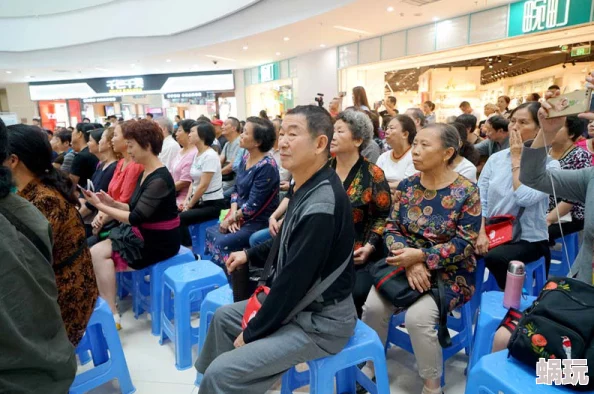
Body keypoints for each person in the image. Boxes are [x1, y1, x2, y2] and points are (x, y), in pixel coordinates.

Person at [196, 105, 357, 393]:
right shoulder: (305, 184)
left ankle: (221, 383)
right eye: (281, 133)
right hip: (299, 307)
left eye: (292, 134)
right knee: (223, 319)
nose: (282, 142)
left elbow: (292, 282)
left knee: (222, 372)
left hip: (320, 322)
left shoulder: (322, 204)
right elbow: (287, 239)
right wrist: (249, 253)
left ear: (320, 143)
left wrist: (252, 333)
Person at [361, 123, 481, 394]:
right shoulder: (407, 186)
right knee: (373, 308)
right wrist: (412, 260)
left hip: (451, 270)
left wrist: (424, 257)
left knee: (418, 319)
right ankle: (372, 363)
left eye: (425, 145)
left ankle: (431, 386)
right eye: (415, 144)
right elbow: (391, 227)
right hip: (406, 262)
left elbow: (465, 243)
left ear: (447, 152)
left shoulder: (466, 191)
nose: (415, 151)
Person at [0, 119, 77, 393]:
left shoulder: (40, 201)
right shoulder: (24, 201)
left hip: (64, 295)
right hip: (46, 340)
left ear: (13, 160)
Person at [5, 124, 98, 347]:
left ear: (13, 160)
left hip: (68, 298)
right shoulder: (36, 189)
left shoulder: (44, 201)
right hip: (61, 284)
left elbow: (26, 263)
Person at [83, 120, 181, 328]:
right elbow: (134, 207)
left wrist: (102, 205)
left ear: (146, 145)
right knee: (96, 251)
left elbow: (136, 217)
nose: (128, 150)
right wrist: (112, 202)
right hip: (144, 232)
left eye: (131, 145)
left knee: (97, 253)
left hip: (158, 242)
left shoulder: (160, 179)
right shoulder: (145, 171)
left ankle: (112, 312)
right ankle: (111, 308)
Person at [518, 72, 594, 283]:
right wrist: (547, 133)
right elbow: (533, 177)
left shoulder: (581, 157)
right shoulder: (590, 177)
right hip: (584, 289)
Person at [476, 102, 558, 289]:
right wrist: (481, 232)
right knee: (457, 250)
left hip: (528, 238)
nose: (514, 127)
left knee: (496, 258)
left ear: (539, 129)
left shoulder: (550, 165)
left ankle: (515, 304)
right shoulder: (496, 159)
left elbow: (524, 197)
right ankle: (470, 302)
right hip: (494, 231)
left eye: (523, 122)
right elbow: (480, 198)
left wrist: (516, 158)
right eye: (512, 121)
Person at [329, 109, 392, 316]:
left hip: (358, 253)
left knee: (353, 292)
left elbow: (383, 216)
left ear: (357, 140)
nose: (333, 136)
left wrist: (370, 246)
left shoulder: (373, 174)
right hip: (323, 250)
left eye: (340, 131)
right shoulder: (323, 170)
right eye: (333, 130)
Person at [204, 117, 279, 268]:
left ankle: (233, 283)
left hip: (257, 220)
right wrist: (232, 215)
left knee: (221, 241)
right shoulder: (246, 157)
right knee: (211, 232)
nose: (242, 135)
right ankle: (215, 277)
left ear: (257, 142)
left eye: (245, 132)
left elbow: (253, 206)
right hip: (240, 215)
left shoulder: (267, 166)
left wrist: (233, 218)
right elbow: (236, 189)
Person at [89, 123, 144, 245]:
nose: (112, 139)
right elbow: (109, 195)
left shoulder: (135, 166)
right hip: (112, 215)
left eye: (115, 136)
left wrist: (102, 218)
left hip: (121, 221)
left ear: (127, 140)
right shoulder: (121, 163)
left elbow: (124, 201)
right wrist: (100, 215)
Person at [543, 116, 591, 243]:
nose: (551, 131)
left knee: (536, 236)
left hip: (571, 215)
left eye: (558, 128)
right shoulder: (544, 152)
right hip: (542, 210)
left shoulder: (580, 156)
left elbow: (571, 199)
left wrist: (548, 220)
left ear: (572, 134)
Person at [179, 122, 225, 247]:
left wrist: (190, 205)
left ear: (202, 135)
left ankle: (189, 249)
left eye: (193, 131)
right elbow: (193, 182)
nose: (189, 134)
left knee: (180, 218)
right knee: (173, 214)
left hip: (212, 204)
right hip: (199, 201)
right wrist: (187, 200)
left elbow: (203, 186)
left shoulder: (210, 155)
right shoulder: (198, 154)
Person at [80, 127, 120, 221]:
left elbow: (96, 198)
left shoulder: (113, 167)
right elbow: (88, 189)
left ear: (109, 143)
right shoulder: (102, 164)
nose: (99, 142)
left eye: (102, 139)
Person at [376, 115, 418, 191]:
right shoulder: (383, 157)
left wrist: (384, 186)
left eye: (391, 128)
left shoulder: (414, 156)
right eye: (387, 128)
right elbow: (375, 181)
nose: (387, 132)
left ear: (405, 134)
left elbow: (408, 183)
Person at [171, 120, 198, 209]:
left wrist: (165, 190)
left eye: (179, 131)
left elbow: (185, 182)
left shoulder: (194, 153)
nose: (176, 134)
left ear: (188, 133)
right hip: (173, 192)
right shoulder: (180, 151)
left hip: (184, 197)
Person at [70, 123, 99, 188]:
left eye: (73, 131)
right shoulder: (95, 152)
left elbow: (72, 184)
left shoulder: (80, 156)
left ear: (79, 134)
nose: (71, 134)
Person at [269, 118, 292, 198]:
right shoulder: (266, 148)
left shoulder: (287, 149)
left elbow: (283, 176)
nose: (269, 130)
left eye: (272, 128)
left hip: (279, 188)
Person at [220, 117, 242, 197]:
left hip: (233, 180)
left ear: (233, 128)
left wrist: (217, 174)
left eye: (225, 125)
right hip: (225, 178)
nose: (222, 127)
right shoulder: (227, 144)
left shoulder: (240, 143)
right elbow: (220, 160)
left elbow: (231, 166)